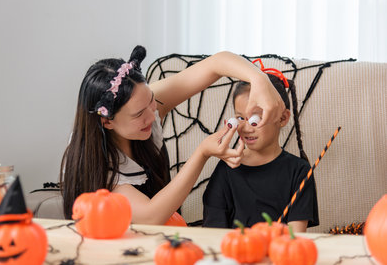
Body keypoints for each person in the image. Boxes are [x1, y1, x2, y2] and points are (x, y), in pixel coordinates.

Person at [60, 46, 285, 224]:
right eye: (139, 114)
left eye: (151, 100)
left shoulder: (142, 104)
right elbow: (151, 216)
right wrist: (202, 153)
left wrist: (259, 80)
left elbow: (217, 63)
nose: (153, 114)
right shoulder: (102, 163)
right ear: (107, 121)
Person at [202, 63, 319, 232]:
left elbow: (296, 237)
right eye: (240, 118)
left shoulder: (299, 172)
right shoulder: (226, 169)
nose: (247, 128)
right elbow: (214, 233)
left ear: (283, 118)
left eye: (256, 119)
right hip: (236, 254)